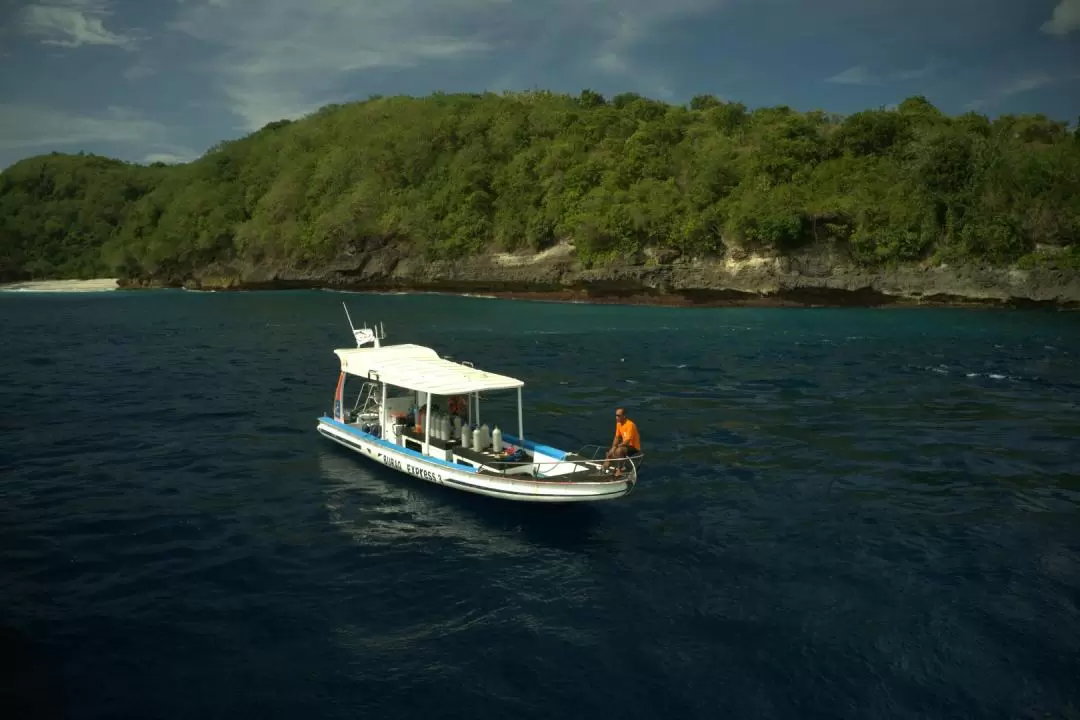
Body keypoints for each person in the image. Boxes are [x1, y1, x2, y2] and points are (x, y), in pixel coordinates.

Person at [604, 407, 641, 475]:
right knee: (609, 450)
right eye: (616, 415)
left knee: (619, 450)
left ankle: (620, 469)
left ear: (624, 416)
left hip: (633, 447)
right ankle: (608, 464)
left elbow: (627, 440)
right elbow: (617, 437)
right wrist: (613, 447)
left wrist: (617, 447)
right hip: (625, 446)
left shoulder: (630, 425)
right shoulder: (618, 424)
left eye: (618, 416)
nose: (616, 417)